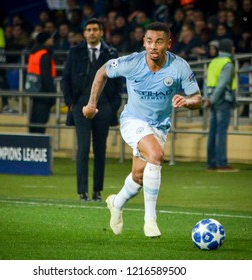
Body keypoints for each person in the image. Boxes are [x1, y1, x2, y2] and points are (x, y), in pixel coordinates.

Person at [82, 22, 202, 237]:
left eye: (159, 41)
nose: (153, 46)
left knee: (139, 176)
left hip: (159, 126)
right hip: (133, 121)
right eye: (149, 41)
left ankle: (116, 203)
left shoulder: (179, 66)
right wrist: (92, 104)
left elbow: (197, 99)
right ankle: (150, 220)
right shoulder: (132, 62)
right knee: (156, 155)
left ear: (168, 43)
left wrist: (187, 101)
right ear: (144, 42)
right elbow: (102, 72)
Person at [62, 18, 123, 202]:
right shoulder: (75, 52)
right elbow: (65, 79)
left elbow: (119, 81)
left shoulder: (111, 52)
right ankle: (82, 192)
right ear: (84, 33)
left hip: (104, 107)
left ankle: (97, 191)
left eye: (95, 29)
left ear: (101, 32)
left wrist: (113, 106)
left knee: (100, 150)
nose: (92, 32)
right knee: (82, 149)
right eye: (88, 29)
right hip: (80, 105)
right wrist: (71, 103)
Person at [204, 38, 239, 172]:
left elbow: (207, 82)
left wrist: (208, 98)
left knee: (212, 132)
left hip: (212, 100)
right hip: (222, 100)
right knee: (220, 133)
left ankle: (211, 163)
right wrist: (213, 99)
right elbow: (222, 84)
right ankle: (221, 163)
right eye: (232, 47)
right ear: (229, 49)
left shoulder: (213, 62)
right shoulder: (228, 63)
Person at [25, 32, 57, 134]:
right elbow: (46, 77)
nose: (52, 40)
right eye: (50, 38)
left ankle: (33, 145)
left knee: (34, 122)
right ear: (46, 40)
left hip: (34, 90)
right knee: (41, 123)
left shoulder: (34, 53)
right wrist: (52, 96)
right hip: (43, 93)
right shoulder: (45, 55)